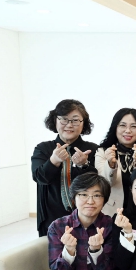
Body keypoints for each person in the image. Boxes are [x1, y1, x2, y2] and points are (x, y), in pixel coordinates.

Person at [31, 99, 99, 236]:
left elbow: (98, 184)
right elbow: (39, 177)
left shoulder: (92, 149)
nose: (69, 125)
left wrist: (84, 165)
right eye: (64, 119)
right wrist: (53, 161)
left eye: (75, 120)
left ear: (83, 123)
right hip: (51, 217)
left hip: (86, 217)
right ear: (55, 121)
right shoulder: (43, 148)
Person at [95, 108, 136, 216]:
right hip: (112, 213)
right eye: (122, 125)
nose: (128, 130)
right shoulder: (103, 152)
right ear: (115, 127)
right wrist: (111, 164)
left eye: (133, 126)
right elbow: (104, 185)